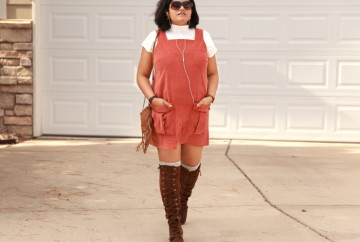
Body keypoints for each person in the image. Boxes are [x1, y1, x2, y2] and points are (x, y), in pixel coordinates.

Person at [136, 0, 219, 241]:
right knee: (169, 171)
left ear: (192, 10)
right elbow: (142, 75)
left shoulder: (205, 37)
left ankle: (183, 202)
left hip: (196, 112)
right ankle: (174, 226)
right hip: (167, 113)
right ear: (166, 10)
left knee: (191, 167)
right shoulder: (154, 38)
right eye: (175, 4)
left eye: (187, 4)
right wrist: (153, 99)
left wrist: (210, 97)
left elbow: (213, 73)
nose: (182, 8)